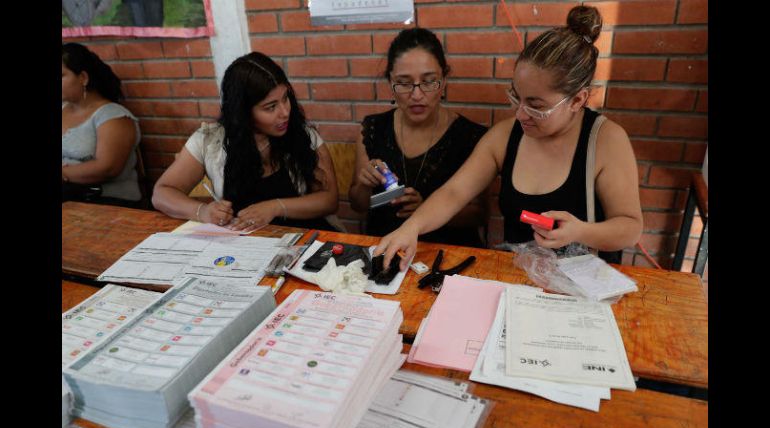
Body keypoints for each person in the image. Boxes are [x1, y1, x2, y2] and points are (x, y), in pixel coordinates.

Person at [375, 5, 642, 269]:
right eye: (516, 97)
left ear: (577, 100)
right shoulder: (505, 136)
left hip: (583, 282)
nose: (520, 114)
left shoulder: (606, 140)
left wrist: (580, 231)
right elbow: (454, 193)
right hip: (519, 277)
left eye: (536, 106)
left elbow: (630, 228)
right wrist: (412, 227)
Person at [152, 52, 340, 232]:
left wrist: (276, 207)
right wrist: (203, 211)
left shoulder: (304, 135)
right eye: (271, 107)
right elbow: (162, 193)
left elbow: (329, 200)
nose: (285, 112)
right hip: (243, 242)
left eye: (285, 98)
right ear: (243, 112)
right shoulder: (210, 140)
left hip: (303, 237)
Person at [348, 28, 488, 248]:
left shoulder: (470, 136)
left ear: (444, 80)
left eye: (429, 81)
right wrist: (365, 185)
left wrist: (426, 209)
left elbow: (479, 214)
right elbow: (359, 205)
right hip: (385, 247)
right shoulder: (373, 129)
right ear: (390, 83)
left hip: (447, 251)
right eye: (404, 83)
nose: (416, 95)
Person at [62, 43, 142, 206]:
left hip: (107, 200)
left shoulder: (113, 116)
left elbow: (107, 169)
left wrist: (63, 173)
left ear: (83, 77)